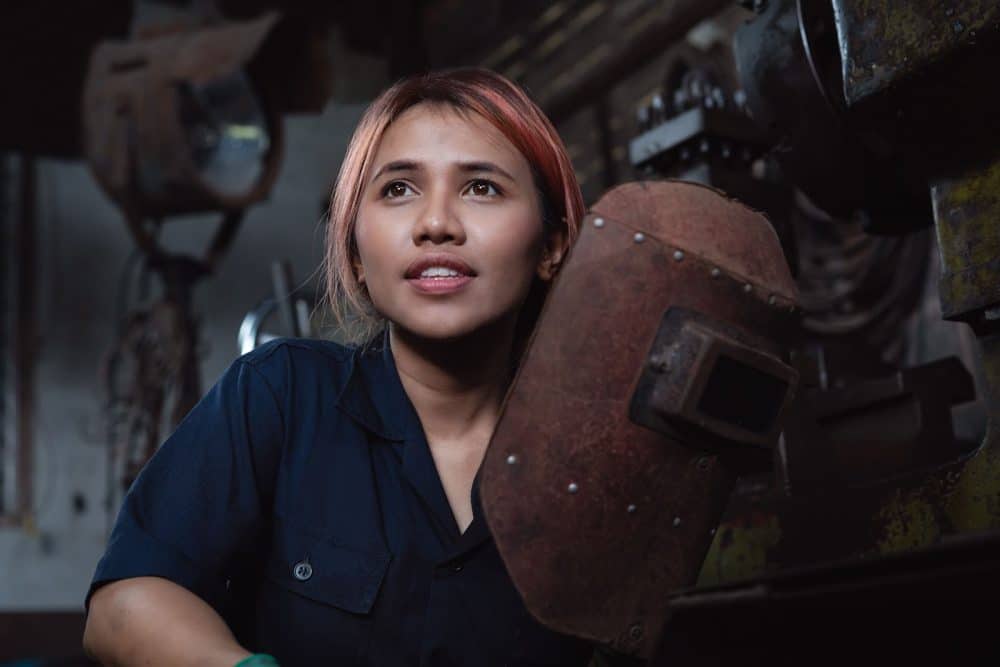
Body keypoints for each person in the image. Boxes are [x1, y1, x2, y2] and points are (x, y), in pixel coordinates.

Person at [82, 68, 600, 666]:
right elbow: (123, 607)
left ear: (552, 244)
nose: (436, 223)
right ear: (355, 254)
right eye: (398, 190)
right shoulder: (281, 395)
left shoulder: (589, 460)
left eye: (481, 188)